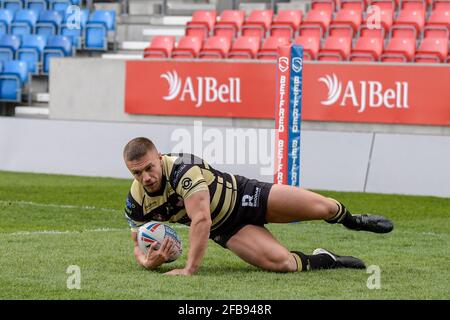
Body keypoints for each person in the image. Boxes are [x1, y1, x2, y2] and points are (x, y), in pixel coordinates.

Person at [123, 137, 393, 276]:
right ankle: (328, 259)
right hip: (227, 229)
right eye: (137, 173)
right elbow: (137, 243)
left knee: (323, 208)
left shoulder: (182, 168)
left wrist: (189, 269)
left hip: (246, 195)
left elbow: (201, 219)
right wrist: (148, 262)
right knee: (283, 263)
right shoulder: (136, 201)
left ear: (159, 158)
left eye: (149, 167)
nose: (146, 177)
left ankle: (353, 221)